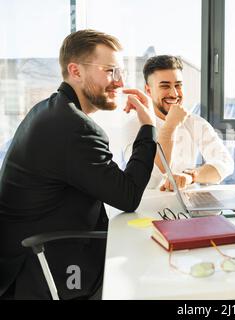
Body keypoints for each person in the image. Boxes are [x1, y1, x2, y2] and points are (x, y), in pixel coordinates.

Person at [0, 29, 157, 299]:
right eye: (110, 71)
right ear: (76, 71)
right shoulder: (75, 128)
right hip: (45, 266)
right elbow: (128, 195)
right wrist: (149, 127)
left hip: (25, 255)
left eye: (120, 72)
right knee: (148, 275)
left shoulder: (49, 110)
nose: (119, 82)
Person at [121, 55, 234, 191]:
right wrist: (170, 126)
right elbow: (149, 180)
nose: (174, 94)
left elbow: (225, 163)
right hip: (148, 204)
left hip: (187, 203)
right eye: (165, 86)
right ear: (149, 90)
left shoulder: (194, 122)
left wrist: (190, 176)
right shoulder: (133, 127)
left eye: (178, 85)